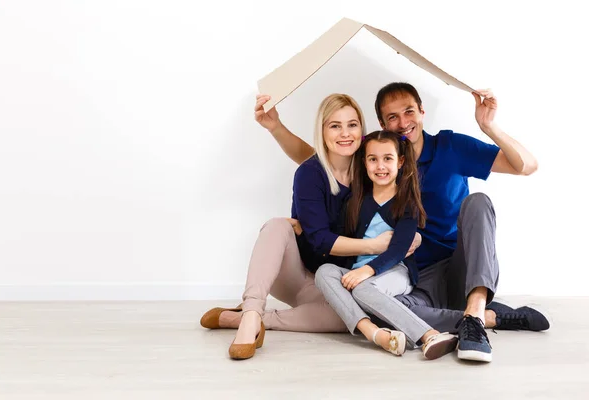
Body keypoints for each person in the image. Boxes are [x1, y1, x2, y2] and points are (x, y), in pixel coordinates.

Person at [257, 83, 549, 363]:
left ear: (422, 111)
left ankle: (474, 312)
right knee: (379, 310)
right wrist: (275, 128)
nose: (403, 122)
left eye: (409, 111)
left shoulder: (450, 147)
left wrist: (489, 126)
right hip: (409, 276)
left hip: (456, 264)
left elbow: (526, 165)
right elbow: (321, 157)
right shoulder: (381, 159)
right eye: (392, 117)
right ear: (382, 125)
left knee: (478, 202)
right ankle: (490, 316)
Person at [200, 93, 419, 360]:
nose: (345, 133)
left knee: (350, 319)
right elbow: (321, 240)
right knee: (278, 226)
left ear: (361, 130)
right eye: (334, 126)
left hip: (332, 283)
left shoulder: (368, 168)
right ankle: (251, 313)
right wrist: (376, 244)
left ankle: (252, 319)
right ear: (322, 130)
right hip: (298, 274)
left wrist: (408, 237)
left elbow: (398, 200)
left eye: (352, 125)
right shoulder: (310, 173)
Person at [316, 130, 459, 359]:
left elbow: (398, 250)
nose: (380, 166)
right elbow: (337, 237)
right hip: (357, 272)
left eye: (387, 158)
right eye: (373, 159)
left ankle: (429, 334)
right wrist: (302, 226)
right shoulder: (355, 200)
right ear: (364, 162)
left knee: (363, 288)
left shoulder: (407, 203)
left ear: (400, 161)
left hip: (395, 271)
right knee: (324, 272)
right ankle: (376, 334)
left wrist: (367, 270)